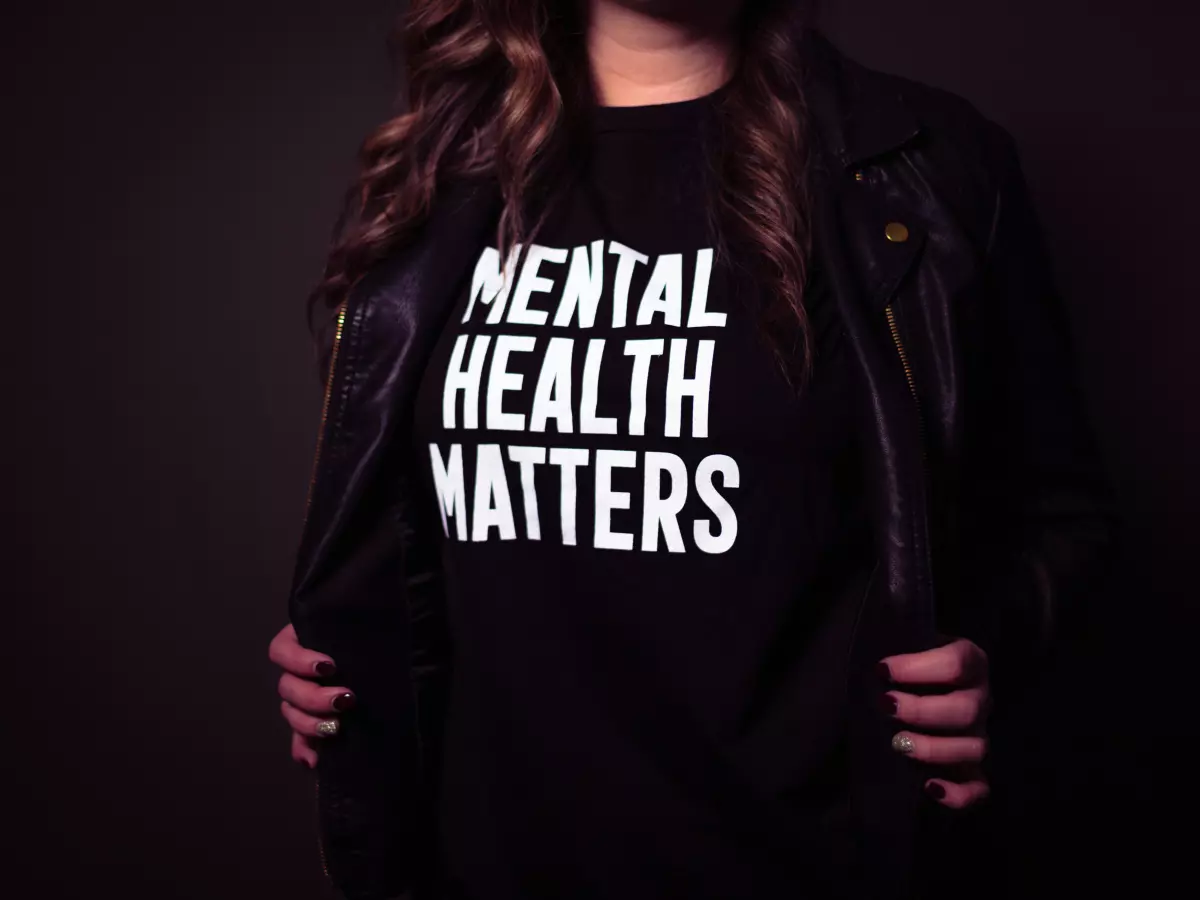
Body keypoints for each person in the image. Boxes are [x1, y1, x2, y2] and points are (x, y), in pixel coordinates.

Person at [266, 1, 1116, 898]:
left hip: (806, 864)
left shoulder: (926, 163)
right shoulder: (433, 172)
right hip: (487, 865)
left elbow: (1062, 515)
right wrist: (355, 646)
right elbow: (418, 528)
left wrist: (990, 654)